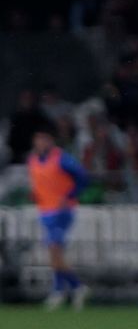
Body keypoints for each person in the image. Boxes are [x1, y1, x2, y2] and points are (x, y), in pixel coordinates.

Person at [27, 128, 91, 310]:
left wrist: (70, 195)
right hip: (45, 210)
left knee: (54, 249)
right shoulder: (33, 160)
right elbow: (40, 182)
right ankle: (69, 289)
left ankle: (68, 289)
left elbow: (83, 177)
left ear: (50, 141)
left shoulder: (61, 158)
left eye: (43, 140)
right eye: (37, 140)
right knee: (55, 253)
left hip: (61, 211)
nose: (40, 144)